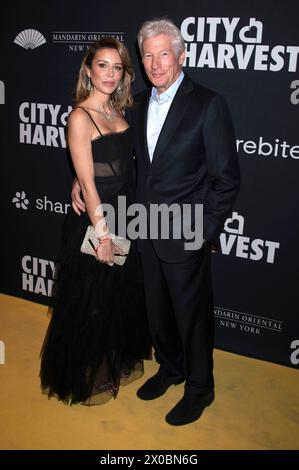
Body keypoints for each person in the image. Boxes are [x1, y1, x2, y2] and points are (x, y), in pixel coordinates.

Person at [72, 19, 240, 424]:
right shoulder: (137, 105)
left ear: (181, 56)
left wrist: (202, 233)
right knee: (157, 312)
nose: (155, 62)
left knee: (192, 316)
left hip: (185, 233)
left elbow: (226, 180)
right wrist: (77, 183)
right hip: (143, 230)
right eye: (147, 54)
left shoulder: (208, 104)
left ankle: (201, 387)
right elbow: (103, 156)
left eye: (164, 53)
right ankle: (171, 368)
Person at [40, 38, 151, 406]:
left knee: (118, 296)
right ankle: (85, 371)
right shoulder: (80, 116)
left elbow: (111, 165)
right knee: (91, 301)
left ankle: (110, 358)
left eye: (117, 67)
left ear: (124, 75)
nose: (110, 74)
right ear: (88, 70)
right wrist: (102, 235)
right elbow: (88, 183)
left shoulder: (122, 112)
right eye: (102, 65)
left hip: (126, 213)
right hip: (97, 221)